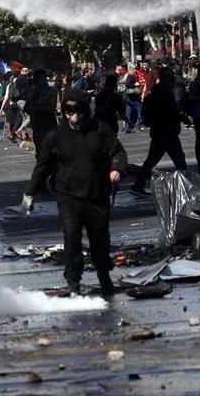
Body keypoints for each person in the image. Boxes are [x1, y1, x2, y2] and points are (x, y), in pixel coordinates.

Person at [21, 90, 127, 296]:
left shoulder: (100, 130)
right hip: (68, 195)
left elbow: (117, 151)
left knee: (100, 239)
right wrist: (29, 194)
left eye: (78, 111)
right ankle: (73, 282)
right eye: (69, 111)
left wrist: (116, 168)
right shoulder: (56, 136)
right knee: (71, 236)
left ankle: (104, 277)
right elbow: (43, 167)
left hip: (97, 194)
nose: (74, 117)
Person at [129, 67, 188, 197]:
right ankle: (186, 188)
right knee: (179, 161)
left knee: (152, 161)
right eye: (170, 76)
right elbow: (168, 112)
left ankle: (138, 185)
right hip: (167, 132)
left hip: (160, 132)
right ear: (165, 77)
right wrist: (181, 118)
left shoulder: (159, 91)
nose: (172, 78)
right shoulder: (164, 92)